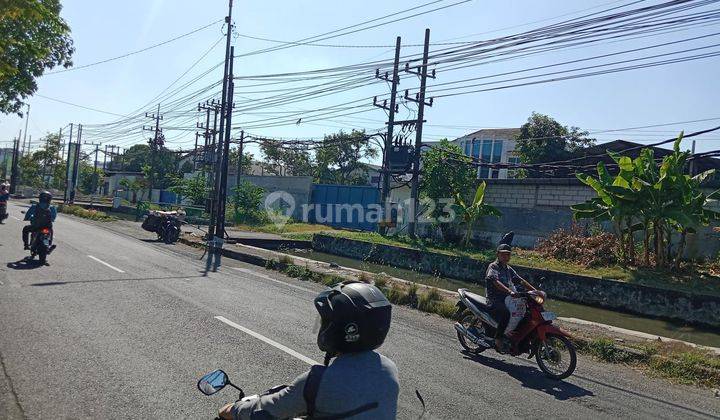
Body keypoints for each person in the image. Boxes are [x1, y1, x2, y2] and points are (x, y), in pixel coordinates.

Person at [218, 281, 399, 420]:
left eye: (326, 322)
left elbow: (266, 409)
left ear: (341, 329)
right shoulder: (389, 368)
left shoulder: (317, 382)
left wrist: (231, 410)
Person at [485, 243, 537, 351]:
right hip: (495, 299)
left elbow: (520, 280)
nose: (506, 257)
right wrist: (509, 291)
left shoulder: (508, 269)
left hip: (509, 298)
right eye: (503, 254)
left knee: (526, 313)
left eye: (508, 254)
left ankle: (515, 336)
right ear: (498, 254)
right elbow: (495, 281)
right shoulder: (493, 266)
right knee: (506, 313)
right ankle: (498, 339)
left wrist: (534, 290)